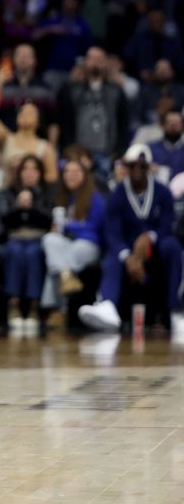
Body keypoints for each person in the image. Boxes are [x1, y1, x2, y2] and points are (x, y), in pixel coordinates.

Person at [79, 144, 183, 333]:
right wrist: (128, 257)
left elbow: (167, 225)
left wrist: (150, 237)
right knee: (112, 257)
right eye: (132, 165)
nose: (137, 170)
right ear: (126, 167)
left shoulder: (163, 192)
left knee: (173, 246)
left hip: (155, 245)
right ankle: (107, 306)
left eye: (142, 166)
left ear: (149, 167)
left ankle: (175, 310)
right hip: (127, 246)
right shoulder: (117, 194)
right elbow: (112, 232)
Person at [41, 157, 105, 314]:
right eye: (67, 171)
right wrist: (58, 229)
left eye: (76, 171)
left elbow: (95, 228)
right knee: (49, 239)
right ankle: (66, 276)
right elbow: (60, 229)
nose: (71, 175)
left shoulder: (95, 198)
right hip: (69, 242)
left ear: (85, 175)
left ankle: (56, 310)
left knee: (56, 264)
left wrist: (68, 226)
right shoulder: (64, 198)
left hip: (89, 245)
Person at [57, 47, 131, 178]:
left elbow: (124, 123)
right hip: (79, 154)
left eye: (99, 59)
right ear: (85, 62)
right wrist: (71, 150)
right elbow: (64, 121)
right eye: (92, 58)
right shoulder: (72, 90)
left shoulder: (116, 91)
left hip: (107, 154)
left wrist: (118, 152)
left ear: (106, 63)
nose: (95, 62)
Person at [0, 155, 53, 334]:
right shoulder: (8, 193)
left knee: (33, 253)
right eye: (25, 169)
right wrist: (17, 207)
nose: (30, 173)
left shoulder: (47, 193)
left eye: (34, 169)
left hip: (38, 239)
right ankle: (13, 304)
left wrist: (32, 207)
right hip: (15, 238)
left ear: (40, 173)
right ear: (19, 172)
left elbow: (50, 220)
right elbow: (2, 221)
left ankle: (33, 306)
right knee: (14, 251)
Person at [0, 62, 58, 188]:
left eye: (30, 113)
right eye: (22, 112)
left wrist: (31, 173)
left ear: (38, 122)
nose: (25, 115)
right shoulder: (7, 138)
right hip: (8, 193)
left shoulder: (45, 147)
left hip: (35, 195)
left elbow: (53, 176)